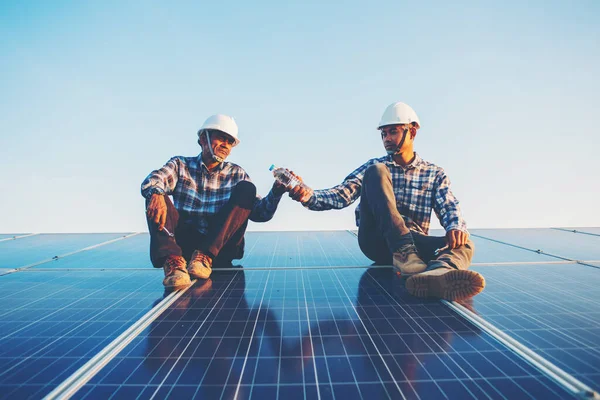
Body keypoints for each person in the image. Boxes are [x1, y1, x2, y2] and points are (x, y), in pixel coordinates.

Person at [286, 102, 485, 300]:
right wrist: (308, 195)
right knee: (377, 171)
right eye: (384, 134)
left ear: (412, 132)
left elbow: (448, 205)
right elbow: (341, 194)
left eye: (393, 132)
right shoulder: (375, 167)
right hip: (377, 240)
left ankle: (438, 274)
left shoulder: (434, 173)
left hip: (415, 248)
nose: (387, 139)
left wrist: (455, 227)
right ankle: (404, 252)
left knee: (465, 243)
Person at [141, 114, 285, 290]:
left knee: (247, 188)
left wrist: (276, 192)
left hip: (221, 248)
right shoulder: (180, 165)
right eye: (221, 138)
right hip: (185, 245)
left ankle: (205, 257)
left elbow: (260, 214)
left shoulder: (237, 174)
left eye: (230, 141)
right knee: (155, 194)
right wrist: (156, 193)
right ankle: (174, 264)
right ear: (203, 139)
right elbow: (155, 179)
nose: (225, 144)